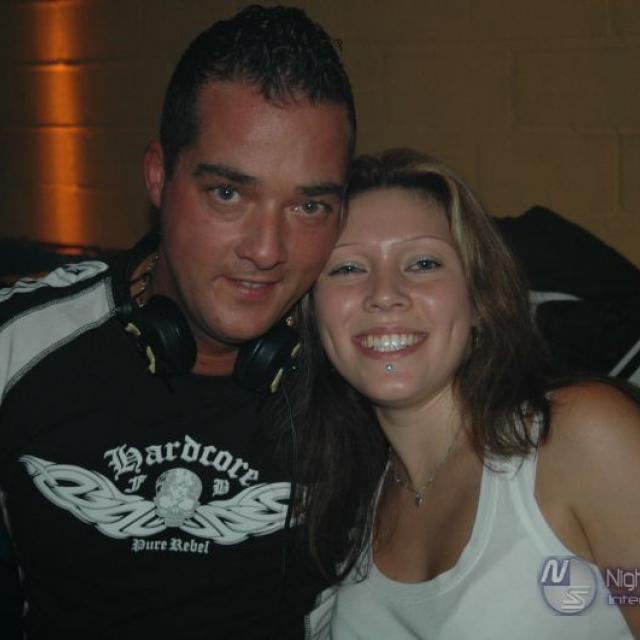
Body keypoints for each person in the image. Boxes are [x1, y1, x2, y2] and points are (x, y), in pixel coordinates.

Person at [0, 5, 354, 638]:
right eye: (228, 193)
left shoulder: (363, 367)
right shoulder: (18, 344)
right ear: (159, 176)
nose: (267, 250)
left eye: (309, 206)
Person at [297, 149, 640, 638]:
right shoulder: (347, 496)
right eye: (348, 268)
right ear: (313, 312)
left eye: (423, 262)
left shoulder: (577, 438)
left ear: (479, 300)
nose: (384, 293)